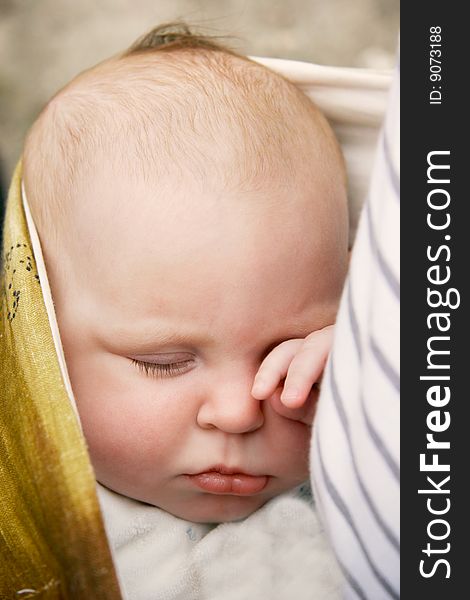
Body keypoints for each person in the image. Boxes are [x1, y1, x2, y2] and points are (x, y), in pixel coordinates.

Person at [3, 23, 350, 598]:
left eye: (285, 354)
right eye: (164, 362)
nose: (239, 412)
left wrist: (384, 379)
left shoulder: (372, 465)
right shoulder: (24, 520)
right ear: (43, 342)